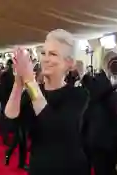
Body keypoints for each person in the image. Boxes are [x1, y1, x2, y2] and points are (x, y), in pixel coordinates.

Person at [5, 29, 90, 175]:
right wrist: (18, 83)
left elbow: (53, 126)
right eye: (44, 53)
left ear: (68, 63)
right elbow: (9, 122)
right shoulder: (32, 93)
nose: (46, 59)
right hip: (39, 167)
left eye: (53, 54)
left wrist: (30, 81)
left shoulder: (79, 95)